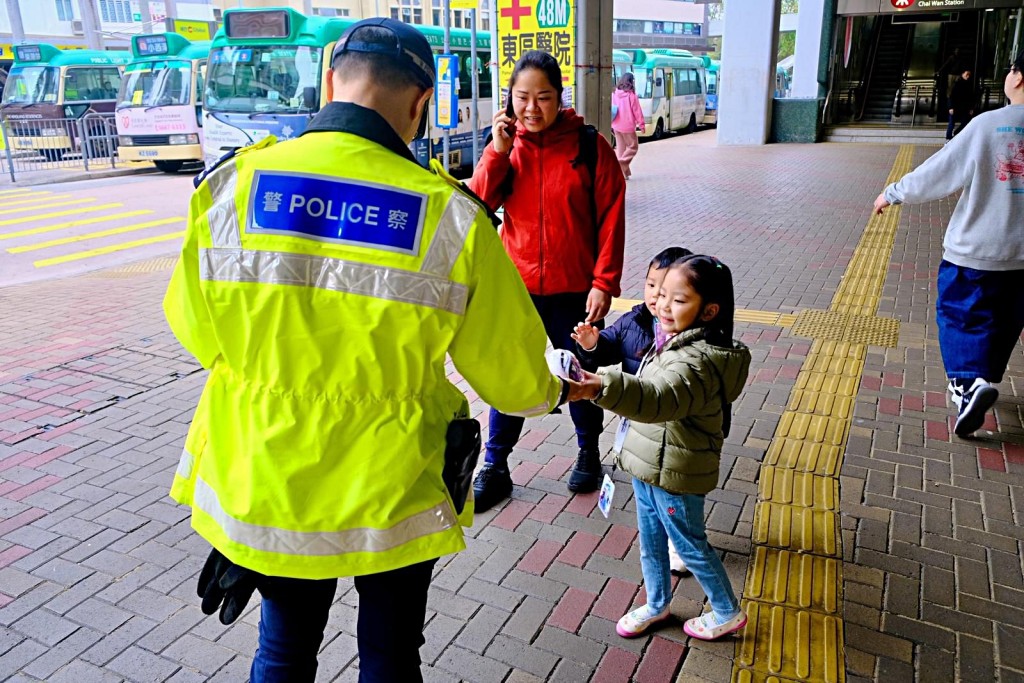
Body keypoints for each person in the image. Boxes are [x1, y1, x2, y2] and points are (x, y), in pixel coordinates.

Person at [163, 18, 578, 683]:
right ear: (420, 103)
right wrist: (556, 389)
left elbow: (194, 327)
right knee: (389, 655)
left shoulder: (233, 187)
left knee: (283, 650)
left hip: (270, 473)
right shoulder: (448, 216)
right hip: (393, 483)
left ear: (332, 80)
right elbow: (512, 374)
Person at [468, 50, 627, 511]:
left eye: (543, 97)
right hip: (517, 288)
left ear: (560, 97)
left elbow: (611, 217)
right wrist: (497, 152)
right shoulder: (504, 145)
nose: (531, 108)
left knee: (577, 373)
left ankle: (588, 455)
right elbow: (478, 205)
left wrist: (604, 282)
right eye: (522, 97)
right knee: (511, 374)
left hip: (573, 288)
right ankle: (495, 466)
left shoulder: (588, 145)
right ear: (509, 99)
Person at [572, 254, 751, 640]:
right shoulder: (670, 340)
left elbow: (656, 398)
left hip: (674, 473)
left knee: (690, 546)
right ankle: (656, 604)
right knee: (651, 539)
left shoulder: (698, 362)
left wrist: (600, 385)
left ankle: (726, 611)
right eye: (661, 294)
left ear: (709, 311)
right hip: (649, 463)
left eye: (679, 300)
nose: (664, 305)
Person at [873, 53, 1024, 438]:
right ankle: (983, 379)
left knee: (961, 317)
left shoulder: (989, 125)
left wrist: (893, 192)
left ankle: (968, 385)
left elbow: (941, 170)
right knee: (1006, 321)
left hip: (976, 251)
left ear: (1018, 78)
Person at [571, 246, 692, 574]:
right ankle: (662, 539)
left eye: (667, 290)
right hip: (641, 422)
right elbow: (609, 344)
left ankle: (683, 544)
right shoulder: (636, 320)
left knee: (676, 486)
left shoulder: (695, 336)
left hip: (679, 427)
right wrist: (592, 344)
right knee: (650, 482)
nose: (657, 297)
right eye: (651, 285)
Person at [611, 72, 646, 179]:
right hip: (627, 126)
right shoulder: (631, 96)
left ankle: (623, 175)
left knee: (621, 149)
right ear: (631, 82)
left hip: (616, 125)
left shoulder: (614, 93)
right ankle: (619, 164)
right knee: (633, 147)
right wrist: (642, 125)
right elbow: (637, 111)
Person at [946, 69, 975, 140]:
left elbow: (970, 97)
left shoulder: (968, 84)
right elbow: (951, 96)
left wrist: (971, 108)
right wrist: (951, 107)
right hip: (955, 106)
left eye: (969, 75)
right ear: (962, 74)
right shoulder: (956, 83)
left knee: (965, 122)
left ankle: (956, 133)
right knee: (952, 123)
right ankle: (948, 137)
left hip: (963, 107)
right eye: (966, 74)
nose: (968, 76)